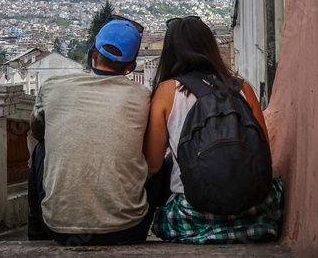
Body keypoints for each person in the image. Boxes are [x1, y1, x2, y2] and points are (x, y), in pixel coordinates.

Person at [145, 15, 284, 244]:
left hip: (194, 215)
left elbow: (153, 163)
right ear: (210, 47)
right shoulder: (242, 88)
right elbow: (263, 151)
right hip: (255, 211)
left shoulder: (166, 91)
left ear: (170, 52)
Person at [28, 15, 163, 246]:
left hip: (59, 230)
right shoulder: (142, 96)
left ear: (92, 53)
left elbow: (37, 131)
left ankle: (36, 233)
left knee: (41, 149)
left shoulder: (52, 87)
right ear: (130, 67)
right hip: (128, 228)